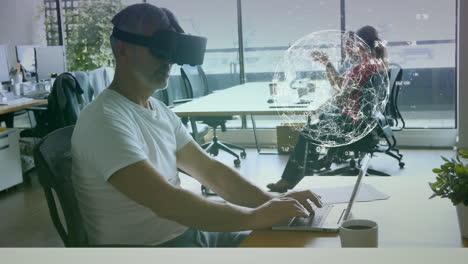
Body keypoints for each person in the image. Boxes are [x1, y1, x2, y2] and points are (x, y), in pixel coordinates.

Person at [71, 3, 323, 247]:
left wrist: (271, 202)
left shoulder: (157, 110)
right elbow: (165, 201)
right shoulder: (104, 119)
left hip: (191, 234)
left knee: (294, 243)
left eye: (174, 51)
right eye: (161, 49)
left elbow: (211, 171)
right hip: (154, 249)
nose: (169, 61)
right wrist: (255, 218)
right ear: (123, 50)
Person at [267, 26, 388, 193]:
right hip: (368, 124)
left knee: (308, 133)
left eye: (351, 44)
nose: (348, 48)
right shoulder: (374, 64)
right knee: (323, 120)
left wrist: (330, 100)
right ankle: (321, 163)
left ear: (360, 45)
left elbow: (340, 95)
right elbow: (342, 86)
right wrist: (327, 64)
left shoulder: (362, 67)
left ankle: (290, 180)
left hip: (353, 125)